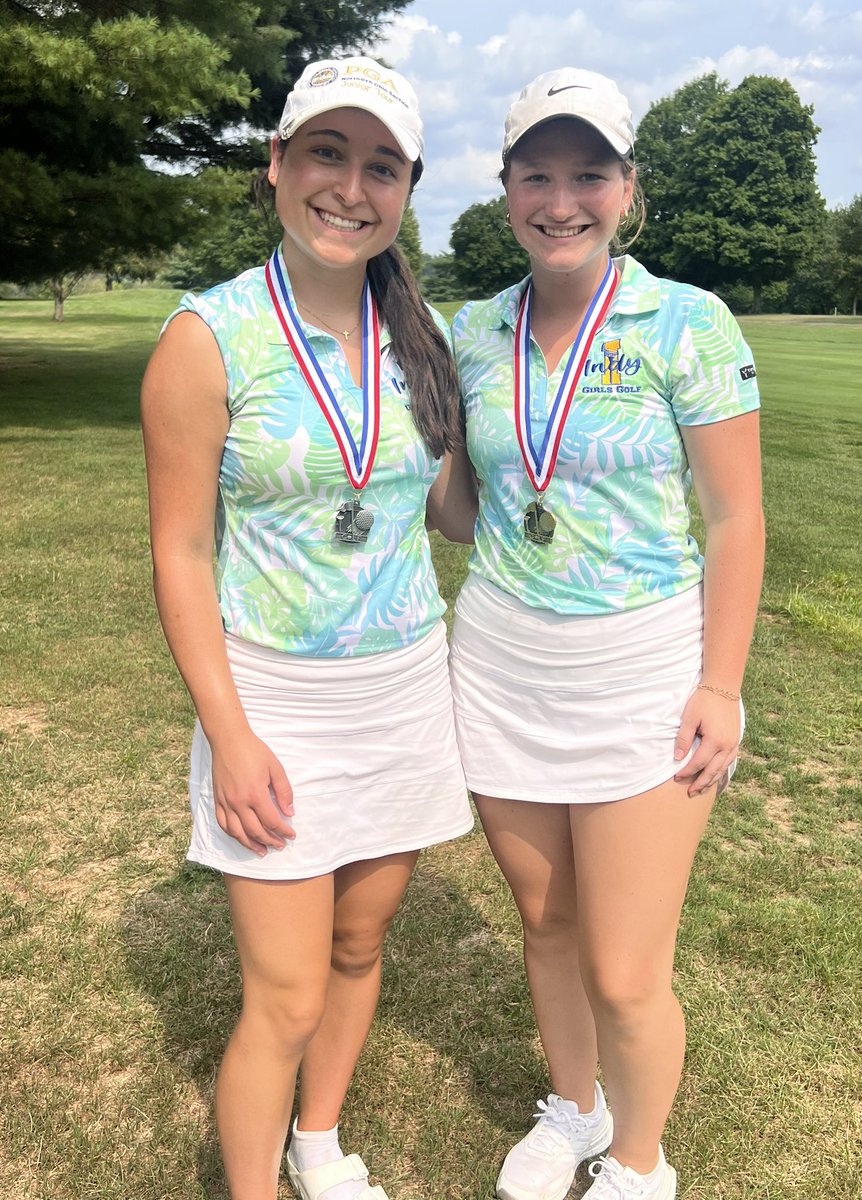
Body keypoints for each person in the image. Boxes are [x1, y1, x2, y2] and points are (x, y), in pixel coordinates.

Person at [141, 56, 475, 1200]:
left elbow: (453, 509)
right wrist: (229, 735)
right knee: (283, 996)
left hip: (404, 687)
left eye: (382, 165)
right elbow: (181, 554)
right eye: (327, 153)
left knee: (358, 946)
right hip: (273, 700)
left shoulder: (420, 335)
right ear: (278, 165)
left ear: (407, 189)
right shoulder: (208, 337)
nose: (351, 186)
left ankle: (318, 1142)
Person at [449, 68, 765, 1200]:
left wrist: (720, 683)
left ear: (628, 188)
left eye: (589, 174)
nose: (561, 200)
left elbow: (735, 518)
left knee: (626, 970)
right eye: (537, 174)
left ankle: (639, 1161)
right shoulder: (474, 329)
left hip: (641, 668)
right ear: (506, 188)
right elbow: (463, 504)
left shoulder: (688, 321)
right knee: (546, 923)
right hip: (500, 659)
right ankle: (576, 1109)